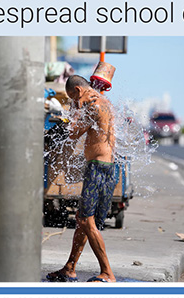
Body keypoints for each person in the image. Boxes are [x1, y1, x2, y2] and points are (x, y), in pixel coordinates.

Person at [47, 75, 116, 283]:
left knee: (86, 220)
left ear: (78, 90)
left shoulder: (93, 106)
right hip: (108, 167)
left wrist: (65, 120)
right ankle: (70, 268)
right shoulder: (105, 103)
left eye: (72, 97)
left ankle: (107, 273)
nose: (73, 102)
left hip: (98, 168)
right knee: (83, 220)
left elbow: (74, 132)